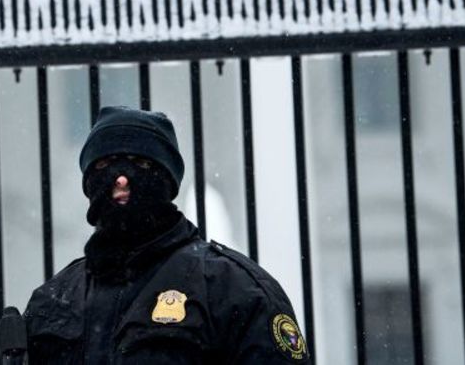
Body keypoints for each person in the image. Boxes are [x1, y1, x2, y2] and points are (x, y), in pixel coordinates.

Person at [23, 106, 310, 363]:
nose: (121, 178)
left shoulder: (233, 289)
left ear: (166, 179)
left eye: (140, 164)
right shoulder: (53, 301)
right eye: (105, 165)